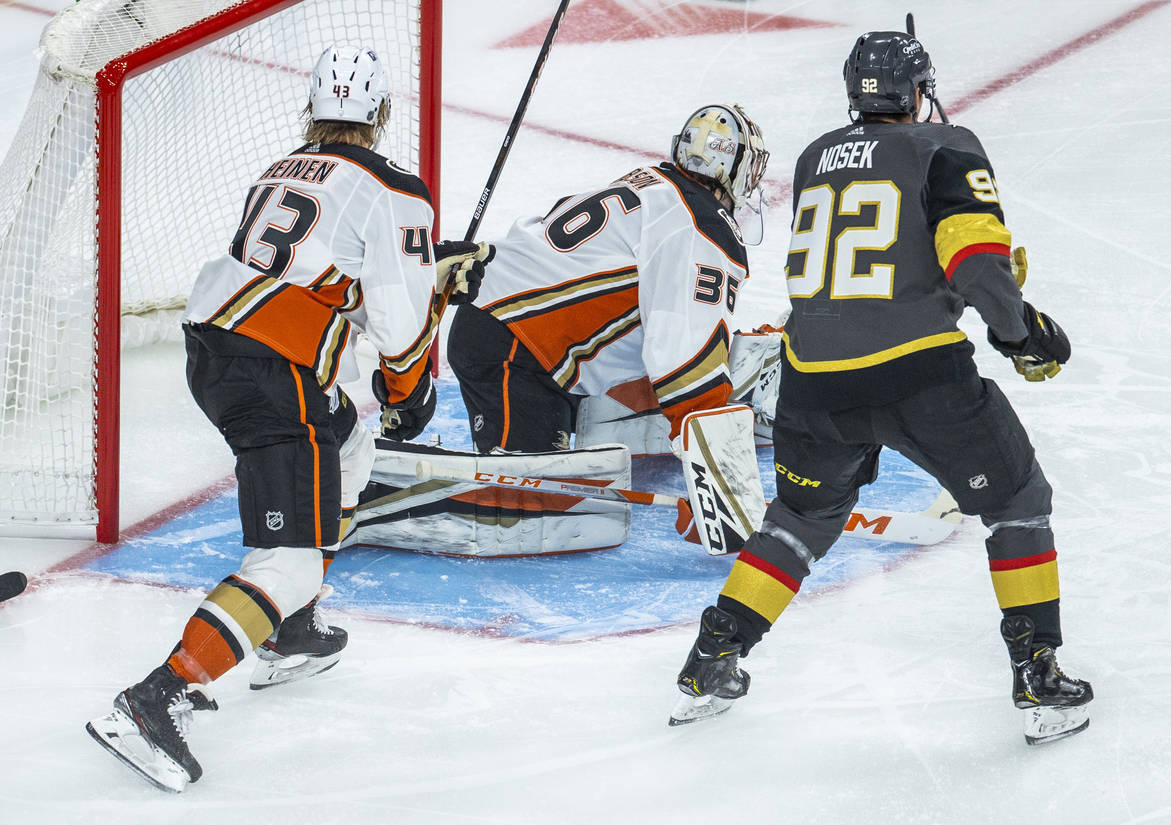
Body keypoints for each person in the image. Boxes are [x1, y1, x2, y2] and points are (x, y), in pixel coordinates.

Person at [85, 45, 490, 792]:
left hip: (214, 349)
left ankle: (293, 628)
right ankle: (158, 696)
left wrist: (428, 278)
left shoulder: (282, 169)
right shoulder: (393, 184)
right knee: (289, 557)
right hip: (272, 372)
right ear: (382, 115)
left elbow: (331, 281)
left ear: (312, 110)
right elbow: (395, 326)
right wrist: (412, 385)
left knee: (350, 444)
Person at [669, 32, 1093, 744]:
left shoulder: (812, 158)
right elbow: (976, 263)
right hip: (917, 370)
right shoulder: (944, 145)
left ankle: (713, 655)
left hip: (810, 381)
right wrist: (1021, 331)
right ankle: (1038, 673)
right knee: (1018, 499)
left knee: (800, 519)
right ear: (916, 91)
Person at [447, 103, 768, 456]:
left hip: (505, 320)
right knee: (532, 500)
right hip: (516, 343)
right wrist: (713, 448)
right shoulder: (703, 225)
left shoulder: (652, 182)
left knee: (543, 481)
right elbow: (686, 353)